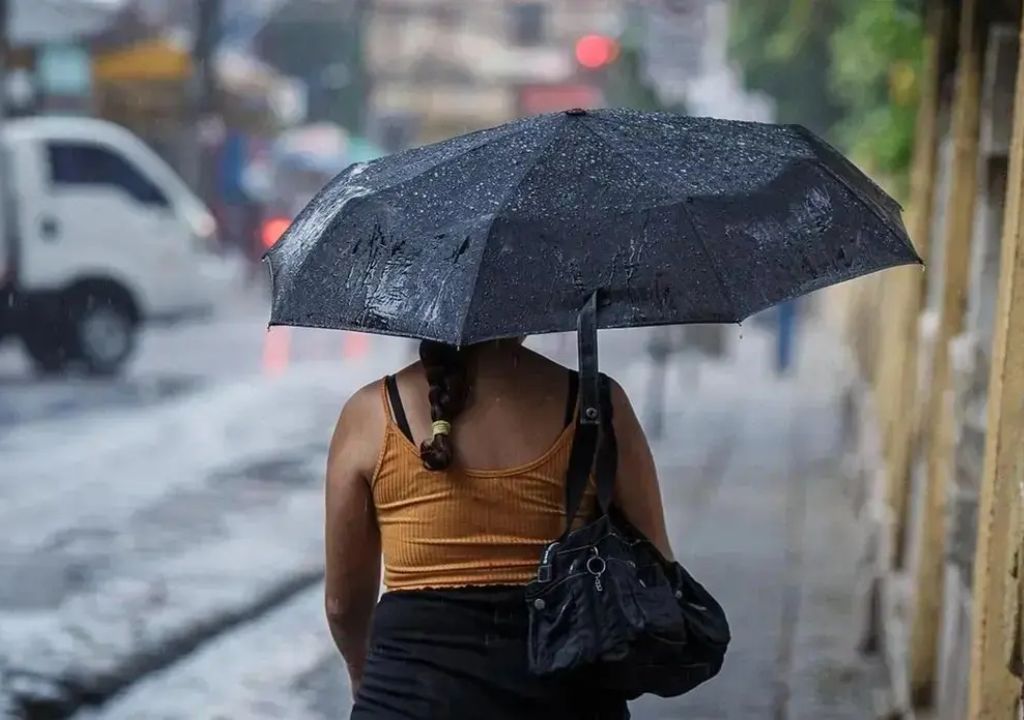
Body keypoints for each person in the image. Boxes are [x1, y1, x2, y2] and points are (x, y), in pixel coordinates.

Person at [325, 338, 674, 719]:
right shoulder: (597, 403)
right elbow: (657, 565)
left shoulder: (371, 413)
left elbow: (342, 606)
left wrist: (361, 673)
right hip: (569, 696)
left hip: (408, 697)